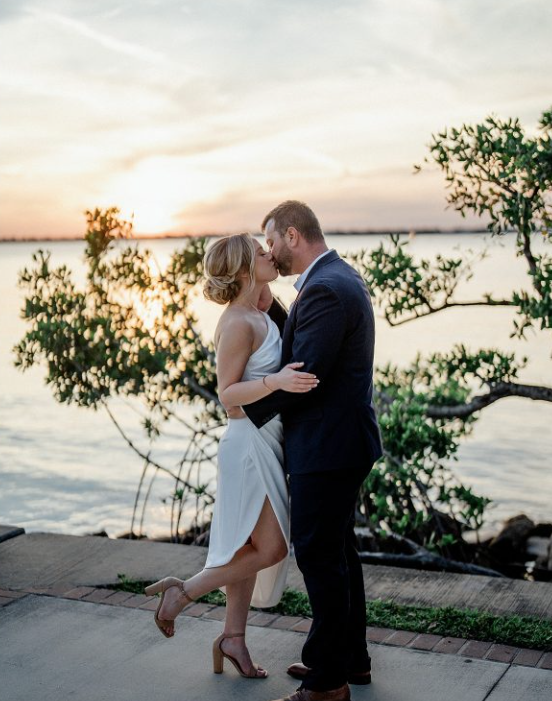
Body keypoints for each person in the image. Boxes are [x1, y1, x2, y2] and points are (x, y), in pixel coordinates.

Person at [144, 233, 318, 679]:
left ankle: (233, 639)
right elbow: (228, 397)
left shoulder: (258, 310)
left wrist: (264, 283)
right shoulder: (238, 322)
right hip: (247, 444)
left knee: (243, 544)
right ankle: (184, 592)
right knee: (273, 547)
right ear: (243, 268)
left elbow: (269, 298)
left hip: (267, 440)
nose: (270, 254)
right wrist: (276, 382)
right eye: (261, 252)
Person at [243, 201, 383, 701]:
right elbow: (308, 342)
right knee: (339, 553)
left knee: (322, 558)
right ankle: (350, 660)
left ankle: (328, 685)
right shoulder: (335, 279)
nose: (270, 251)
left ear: (293, 235)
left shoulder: (325, 286)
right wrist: (270, 304)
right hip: (341, 440)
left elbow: (306, 376)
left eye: (272, 241)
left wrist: (244, 410)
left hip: (328, 445)